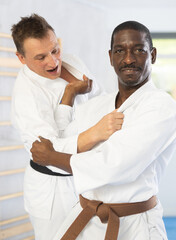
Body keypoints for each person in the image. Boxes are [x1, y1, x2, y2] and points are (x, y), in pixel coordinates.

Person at [30, 20, 176, 240]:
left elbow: (116, 164)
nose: (129, 59)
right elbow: (63, 140)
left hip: (135, 224)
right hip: (86, 218)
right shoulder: (96, 106)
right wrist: (69, 95)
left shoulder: (162, 107)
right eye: (120, 51)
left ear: (153, 55)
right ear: (111, 57)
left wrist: (53, 157)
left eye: (139, 50)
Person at [11, 14, 123, 239]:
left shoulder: (72, 61)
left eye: (55, 50)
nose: (52, 62)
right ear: (21, 58)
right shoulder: (26, 95)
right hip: (52, 191)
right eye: (40, 57)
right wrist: (71, 98)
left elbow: (101, 99)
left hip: (84, 179)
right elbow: (49, 154)